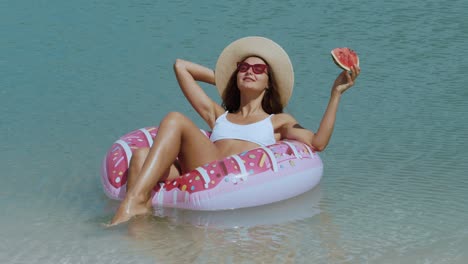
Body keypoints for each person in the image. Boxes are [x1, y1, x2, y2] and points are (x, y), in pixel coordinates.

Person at [110, 36, 360, 225]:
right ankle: (138, 235)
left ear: (269, 83)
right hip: (195, 169)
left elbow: (318, 142)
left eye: (259, 69)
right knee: (140, 156)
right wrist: (229, 80)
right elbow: (181, 67)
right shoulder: (219, 116)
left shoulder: (278, 121)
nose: (250, 71)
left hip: (221, 177)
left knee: (175, 118)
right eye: (243, 67)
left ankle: (132, 204)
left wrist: (335, 95)